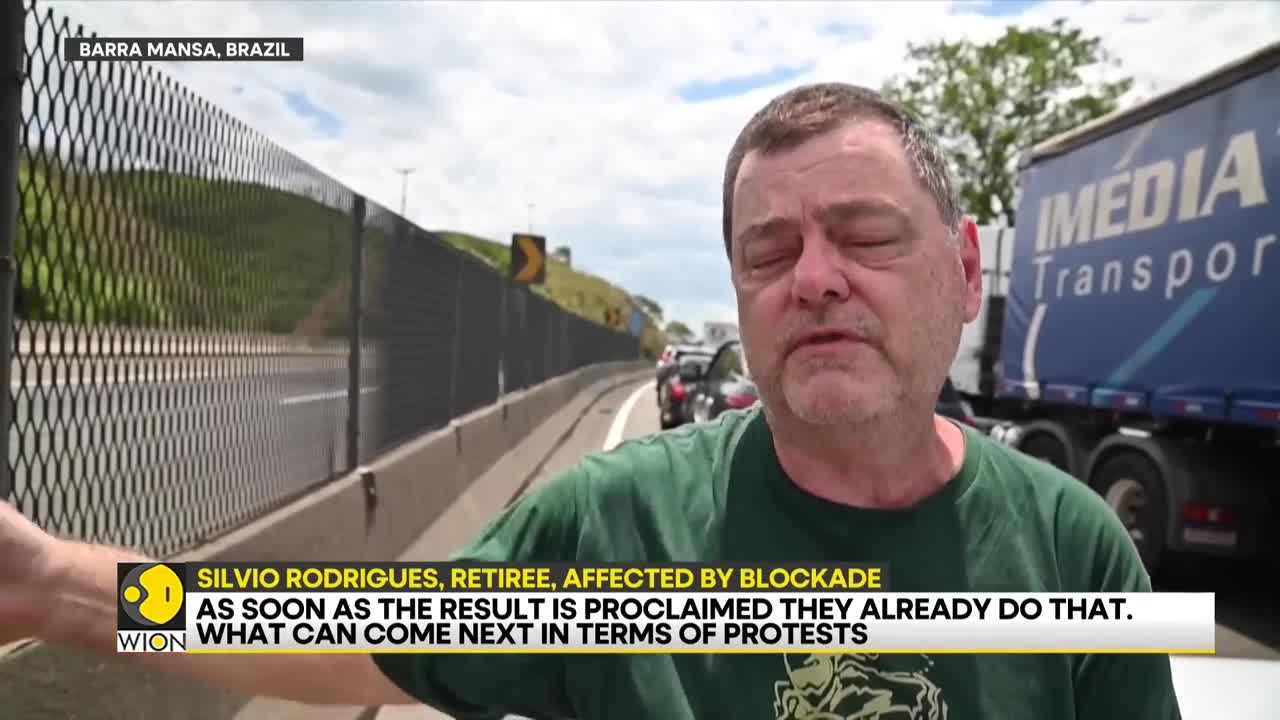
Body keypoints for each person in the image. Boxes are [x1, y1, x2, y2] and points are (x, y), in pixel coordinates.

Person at [0, 83, 1181, 719]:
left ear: (965, 267)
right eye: (768, 253)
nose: (813, 277)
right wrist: (51, 586)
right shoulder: (619, 528)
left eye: (865, 236)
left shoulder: (1069, 548)